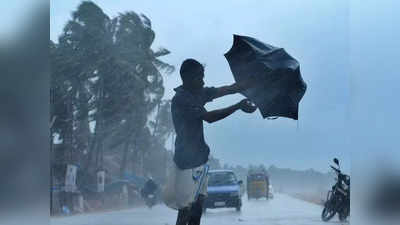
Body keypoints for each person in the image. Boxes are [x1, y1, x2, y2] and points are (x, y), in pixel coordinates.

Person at [171, 58, 257, 225]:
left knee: (196, 211)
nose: (203, 81)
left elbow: (221, 90)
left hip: (200, 160)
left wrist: (243, 85)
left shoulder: (196, 92)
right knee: (185, 212)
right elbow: (209, 117)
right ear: (187, 78)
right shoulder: (182, 100)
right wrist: (237, 107)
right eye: (199, 77)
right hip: (185, 163)